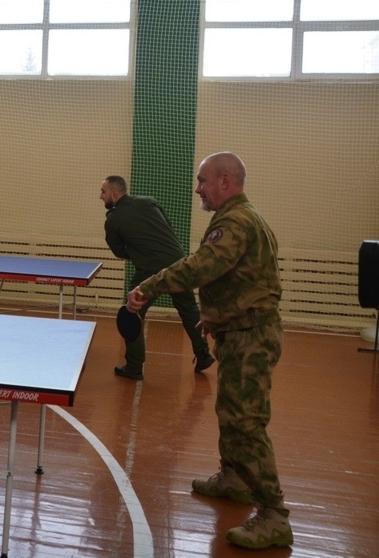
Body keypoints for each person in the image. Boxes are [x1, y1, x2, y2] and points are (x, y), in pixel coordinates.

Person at [126, 152, 291, 550]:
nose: (197, 188)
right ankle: (234, 478)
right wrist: (215, 316)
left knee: (246, 422)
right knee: (231, 411)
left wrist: (149, 285)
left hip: (251, 337)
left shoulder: (234, 222)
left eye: (202, 180)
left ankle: (274, 515)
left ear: (225, 181)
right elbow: (241, 277)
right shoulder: (245, 217)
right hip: (240, 330)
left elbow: (200, 267)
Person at [101, 175, 215, 380]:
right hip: (179, 263)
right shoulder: (149, 201)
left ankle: (134, 367)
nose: (101, 196)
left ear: (115, 194)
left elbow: (119, 251)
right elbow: (168, 227)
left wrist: (139, 253)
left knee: (132, 312)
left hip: (149, 270)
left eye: (103, 192)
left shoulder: (113, 220)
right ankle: (203, 354)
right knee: (189, 310)